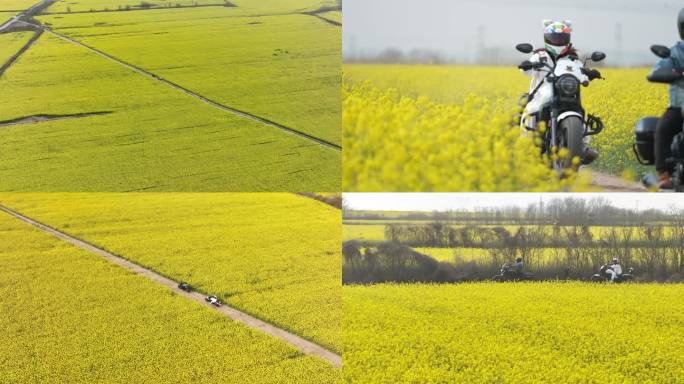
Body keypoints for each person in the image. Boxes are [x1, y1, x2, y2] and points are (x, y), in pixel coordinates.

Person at [520, 20, 599, 164]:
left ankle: (582, 147)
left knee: (581, 113)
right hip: (542, 93)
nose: (557, 41)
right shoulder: (540, 55)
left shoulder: (573, 57)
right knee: (530, 110)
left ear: (567, 39)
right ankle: (526, 143)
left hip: (565, 92)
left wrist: (589, 73)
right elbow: (526, 71)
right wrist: (527, 66)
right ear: (547, 39)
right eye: (554, 38)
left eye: (561, 38)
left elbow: (580, 71)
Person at [653, 7, 684, 190]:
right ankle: (663, 173)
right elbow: (661, 67)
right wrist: (667, 72)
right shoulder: (675, 52)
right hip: (680, 106)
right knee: (663, 128)